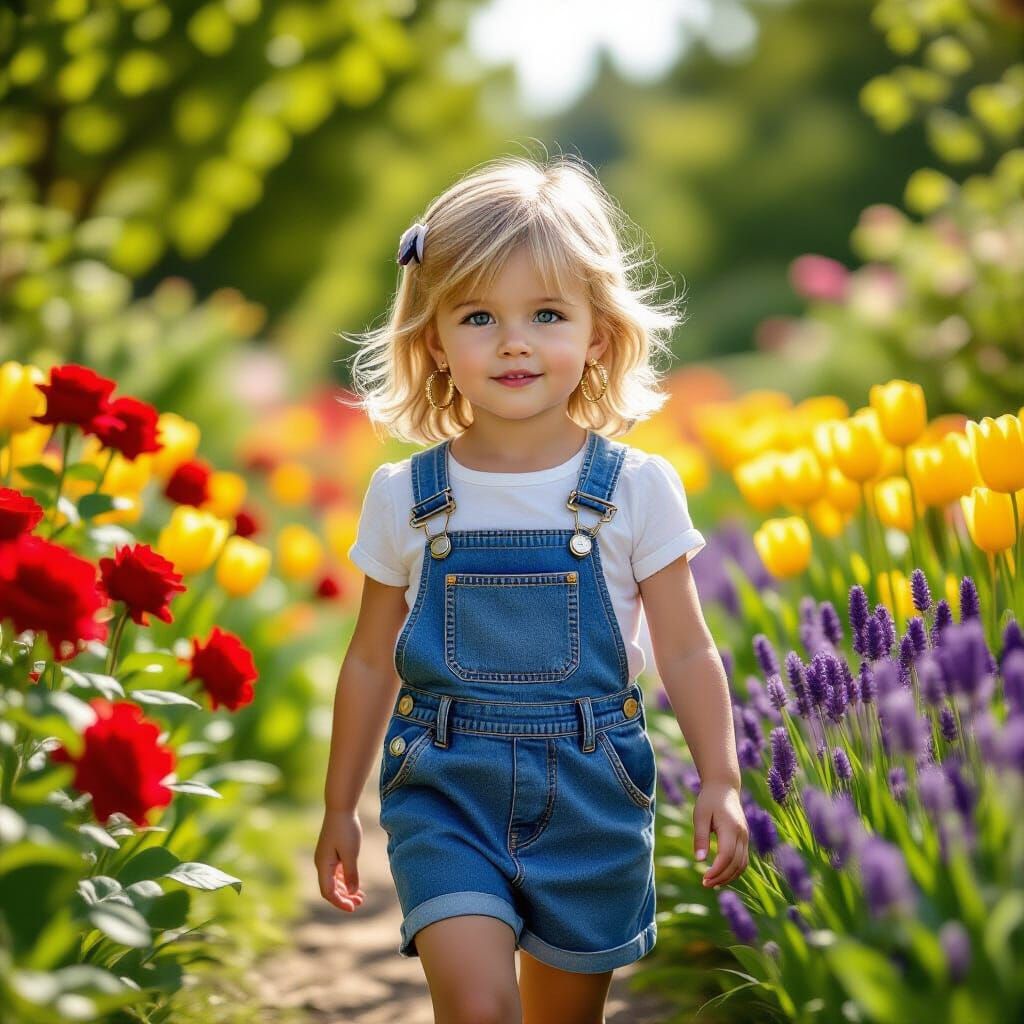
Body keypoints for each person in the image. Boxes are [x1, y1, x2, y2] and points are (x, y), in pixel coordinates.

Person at [315, 154, 748, 1024]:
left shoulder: (636, 488)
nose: (514, 341)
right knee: (479, 1009)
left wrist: (721, 778)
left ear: (598, 332)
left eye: (546, 314)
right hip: (445, 784)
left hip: (592, 790)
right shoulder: (407, 496)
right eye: (479, 316)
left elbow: (686, 645)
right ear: (433, 338)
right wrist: (338, 805)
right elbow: (369, 663)